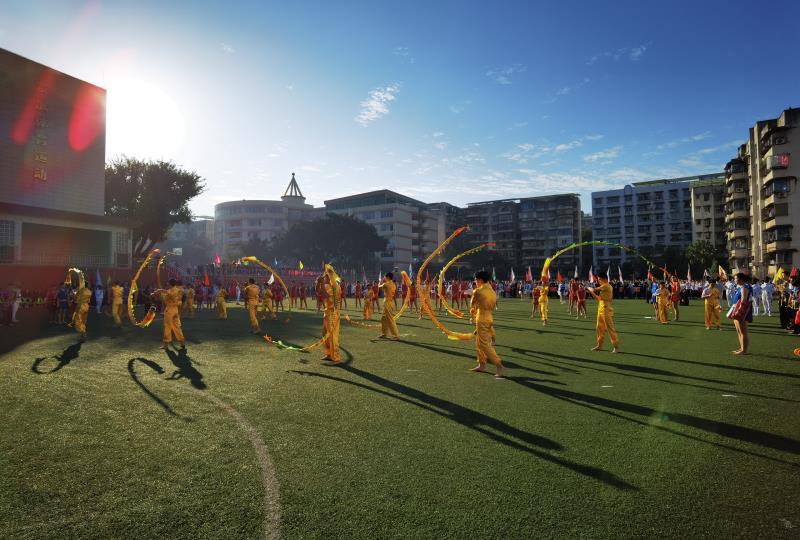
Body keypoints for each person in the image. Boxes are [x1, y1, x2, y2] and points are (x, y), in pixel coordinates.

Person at [469, 270, 505, 379]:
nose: (475, 282)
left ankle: (499, 365)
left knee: (484, 344)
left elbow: (472, 304)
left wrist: (473, 311)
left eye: (476, 279)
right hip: (489, 317)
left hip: (482, 318)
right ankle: (482, 364)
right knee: (479, 342)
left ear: (480, 280)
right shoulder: (492, 291)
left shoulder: (478, 291)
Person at [587, 275, 620, 353]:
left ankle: (616, 347)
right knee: (599, 327)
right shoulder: (603, 287)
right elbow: (599, 299)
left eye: (599, 279)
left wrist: (590, 289)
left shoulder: (607, 286)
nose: (598, 281)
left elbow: (594, 289)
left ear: (604, 279)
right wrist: (591, 292)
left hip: (606, 309)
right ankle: (600, 345)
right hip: (601, 307)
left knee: (610, 328)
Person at [157, 278, 185, 350]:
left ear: (170, 284)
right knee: (177, 326)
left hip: (170, 310)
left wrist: (161, 291)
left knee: (167, 327)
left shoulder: (172, 291)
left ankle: (166, 344)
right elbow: (177, 300)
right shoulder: (177, 290)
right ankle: (182, 342)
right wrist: (160, 292)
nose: (167, 284)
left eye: (168, 283)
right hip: (175, 310)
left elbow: (168, 296)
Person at [321, 267, 342, 363]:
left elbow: (325, 295)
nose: (324, 278)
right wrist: (319, 283)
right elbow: (319, 293)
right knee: (325, 335)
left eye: (325, 276)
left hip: (332, 313)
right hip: (327, 312)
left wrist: (321, 283)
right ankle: (329, 354)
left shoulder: (335, 287)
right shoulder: (330, 286)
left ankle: (336, 357)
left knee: (332, 336)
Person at [729, 272, 753, 355]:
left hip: (741, 311)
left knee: (743, 331)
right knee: (739, 331)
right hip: (737, 310)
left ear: (741, 279)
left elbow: (743, 300)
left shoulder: (744, 287)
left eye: (736, 278)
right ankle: (741, 348)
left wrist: (739, 310)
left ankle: (744, 350)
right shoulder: (741, 287)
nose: (734, 280)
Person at [377, 272, 400, 340]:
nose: (384, 277)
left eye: (385, 276)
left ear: (388, 277)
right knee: (383, 318)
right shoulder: (393, 284)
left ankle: (396, 335)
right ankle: (384, 333)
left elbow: (379, 286)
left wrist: (379, 281)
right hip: (390, 302)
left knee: (390, 319)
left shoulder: (386, 284)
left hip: (387, 303)